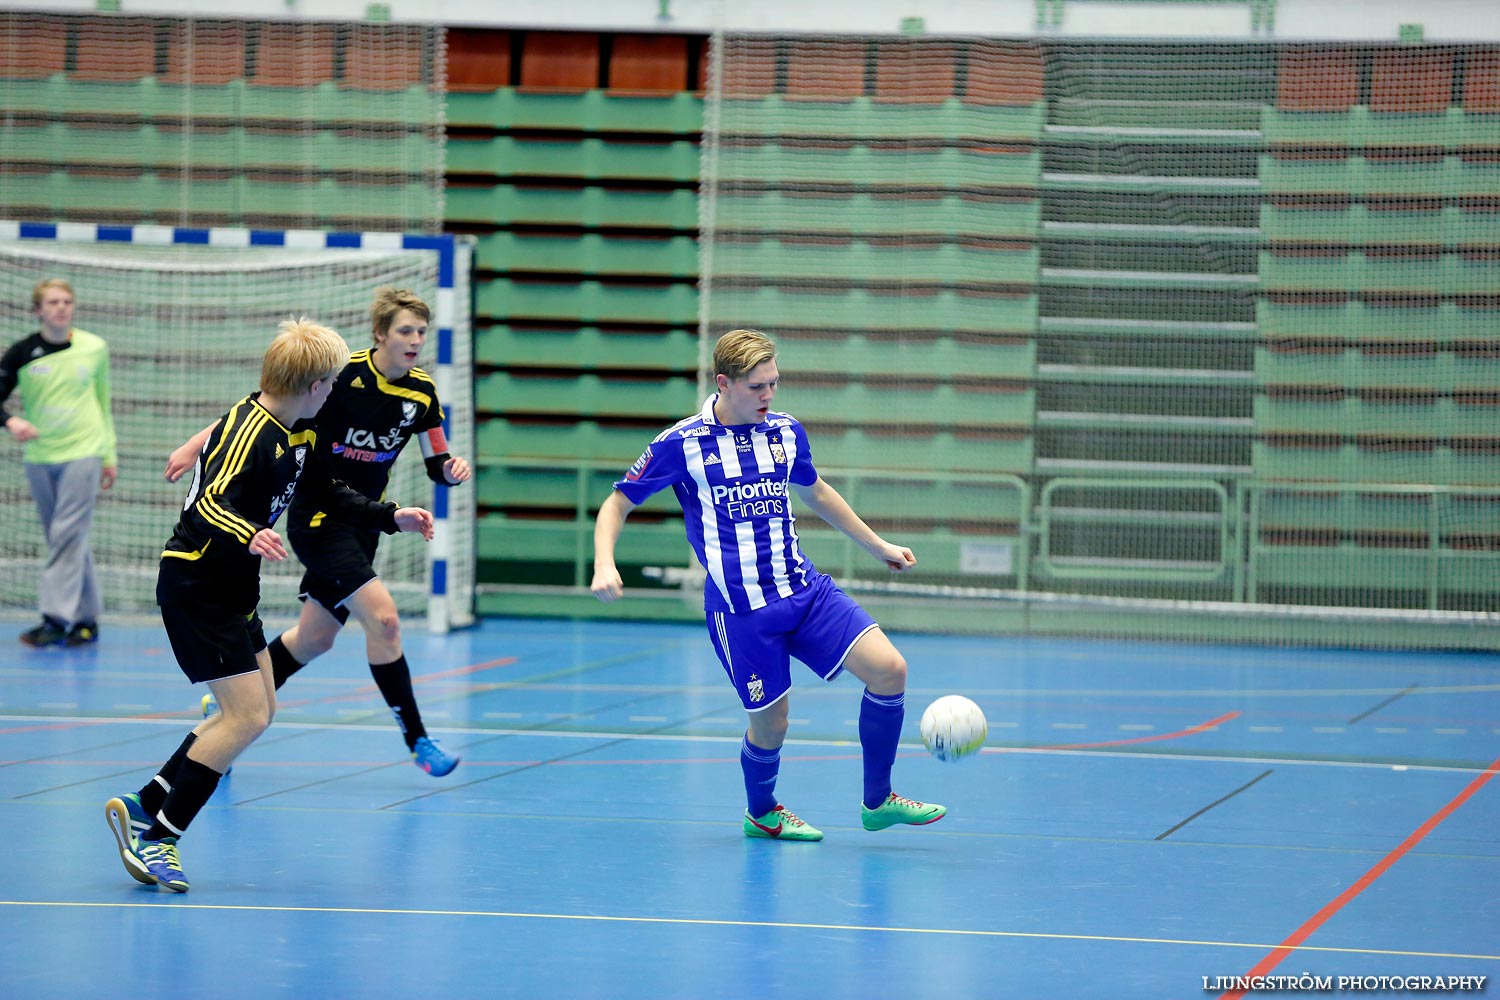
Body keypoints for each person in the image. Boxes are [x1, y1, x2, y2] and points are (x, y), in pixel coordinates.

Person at [105, 317, 434, 892]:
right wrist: (249, 531)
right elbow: (209, 501)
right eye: (330, 382)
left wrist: (391, 516)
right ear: (312, 386)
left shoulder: (298, 430)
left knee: (262, 710)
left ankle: (147, 800)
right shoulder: (249, 431)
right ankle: (159, 837)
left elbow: (325, 490)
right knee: (246, 716)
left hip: (235, 590)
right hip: (197, 586)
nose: (334, 390)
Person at [591, 328, 945, 842]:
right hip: (742, 612)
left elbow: (817, 492)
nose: (769, 396)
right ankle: (762, 812)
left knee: (890, 670)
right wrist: (605, 561)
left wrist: (879, 546)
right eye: (757, 387)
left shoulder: (784, 431)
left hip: (805, 591)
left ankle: (878, 800)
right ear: (723, 383)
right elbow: (617, 502)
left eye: (774, 384)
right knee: (771, 725)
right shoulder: (681, 444)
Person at [166, 287, 471, 776]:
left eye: (421, 331)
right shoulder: (338, 375)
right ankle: (419, 741)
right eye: (405, 330)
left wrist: (450, 470)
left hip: (365, 521)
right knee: (386, 620)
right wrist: (193, 446)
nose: (415, 340)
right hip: (317, 515)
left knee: (315, 639)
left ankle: (221, 717)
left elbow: (437, 460)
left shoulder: (422, 393)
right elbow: (257, 410)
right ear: (380, 334)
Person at [0, 278, 116, 647]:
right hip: (39, 456)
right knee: (64, 537)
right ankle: (86, 619)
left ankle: (54, 618)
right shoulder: (22, 353)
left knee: (66, 533)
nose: (61, 307)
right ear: (38, 310)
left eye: (67, 301)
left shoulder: (93, 348)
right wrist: (10, 421)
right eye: (52, 302)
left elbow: (103, 402)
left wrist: (108, 455)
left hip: (84, 451)